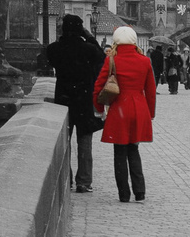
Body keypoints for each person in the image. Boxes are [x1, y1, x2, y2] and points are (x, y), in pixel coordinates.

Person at [93, 26, 156, 202]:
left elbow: (98, 87)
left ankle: (124, 193)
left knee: (119, 152)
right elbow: (150, 90)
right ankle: (140, 191)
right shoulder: (144, 61)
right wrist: (150, 113)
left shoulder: (111, 60)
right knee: (134, 150)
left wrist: (98, 109)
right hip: (138, 108)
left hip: (119, 109)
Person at [47, 14, 105, 193]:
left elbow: (46, 58)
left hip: (63, 98)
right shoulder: (87, 49)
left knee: (65, 141)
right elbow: (101, 57)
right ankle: (84, 181)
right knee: (84, 141)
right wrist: (88, 36)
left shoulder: (55, 49)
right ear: (80, 29)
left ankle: (67, 178)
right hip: (83, 99)